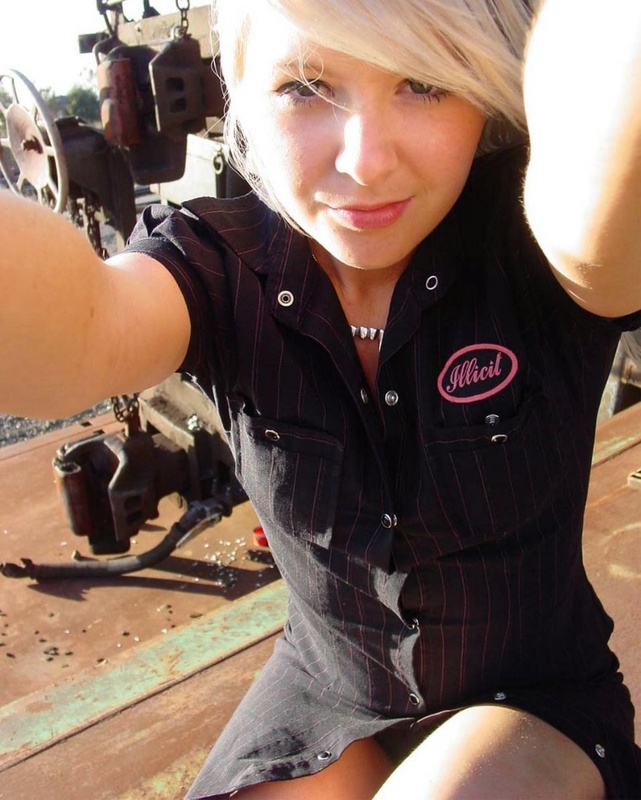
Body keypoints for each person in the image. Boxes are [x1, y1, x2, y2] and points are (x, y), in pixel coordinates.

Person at [1, 0, 640, 796]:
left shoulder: (531, 241)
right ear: (239, 85)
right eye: (304, 86)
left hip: (534, 700)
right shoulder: (219, 264)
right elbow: (86, 326)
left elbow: (603, 194)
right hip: (325, 691)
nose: (365, 161)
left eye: (424, 82)